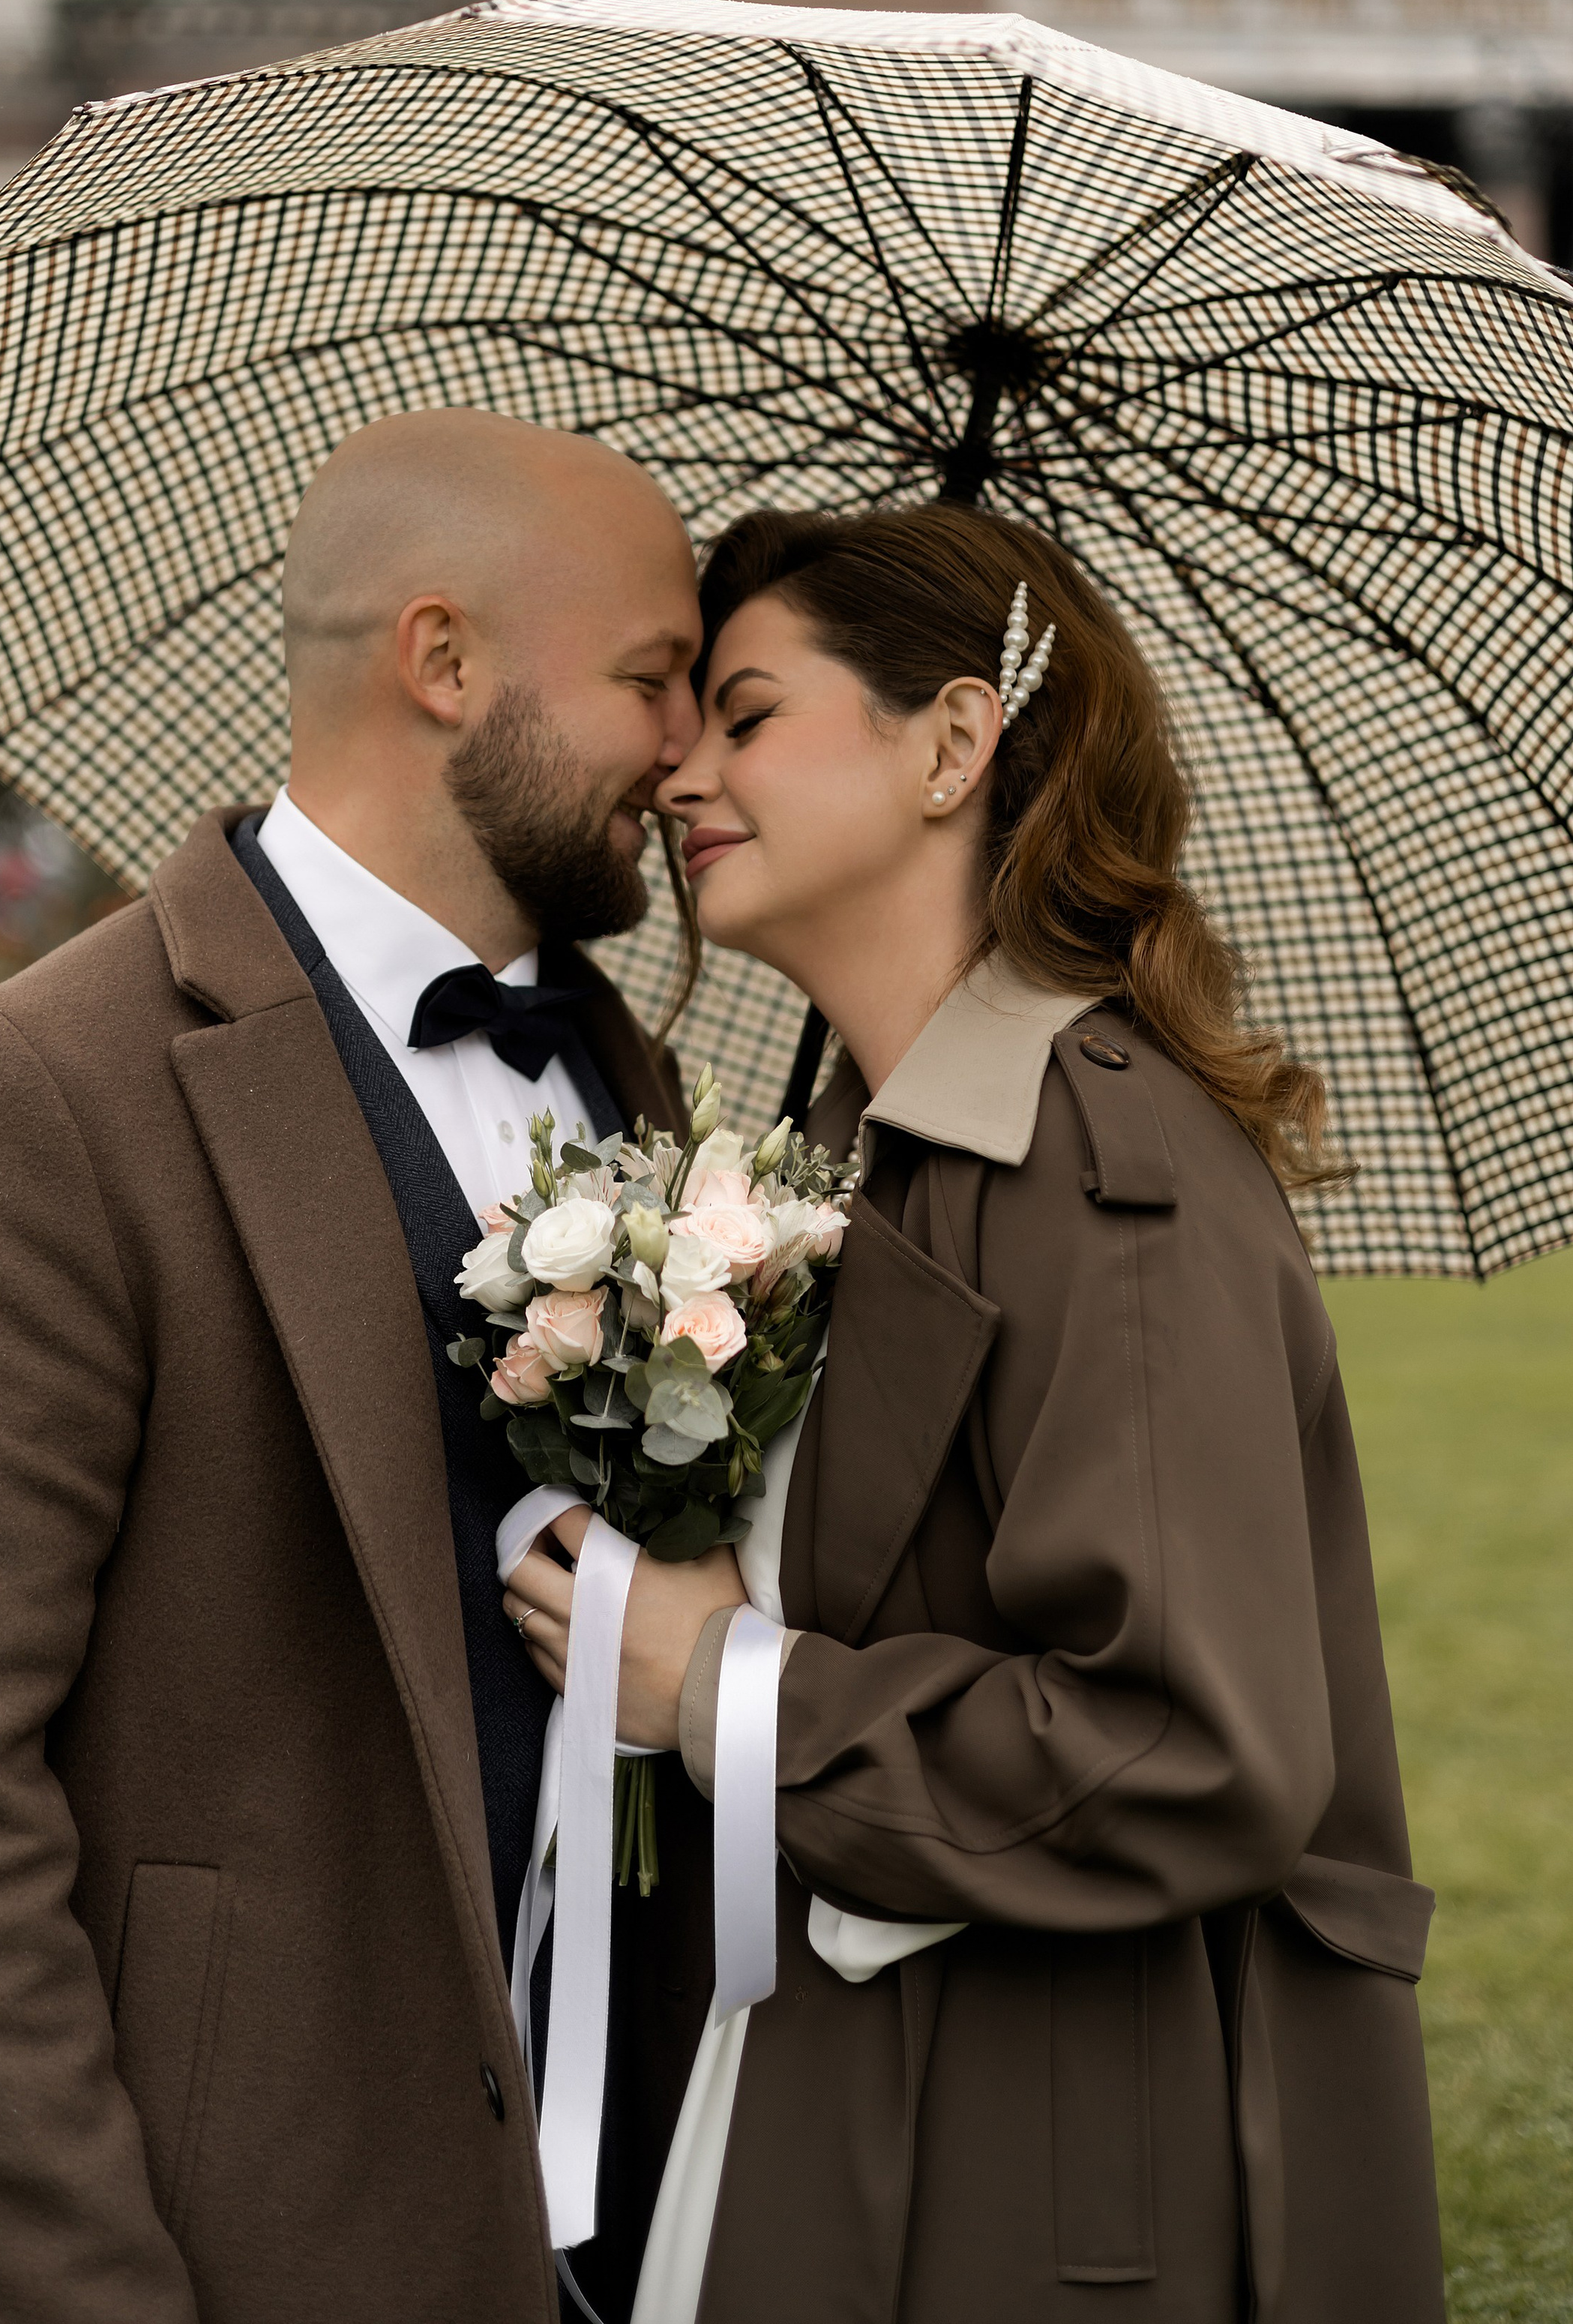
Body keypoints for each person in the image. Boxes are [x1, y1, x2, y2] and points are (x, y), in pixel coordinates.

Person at [0, 410, 718, 2324]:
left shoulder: (625, 1070)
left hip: (648, 2200)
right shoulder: (42, 1090)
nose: (686, 750)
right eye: (652, 678)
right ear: (444, 663)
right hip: (271, 2229)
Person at [503, 500, 1445, 2323]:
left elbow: (1188, 1743)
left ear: (951, 743)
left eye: (748, 713)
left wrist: (720, 1691)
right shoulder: (863, 1155)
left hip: (1062, 2177)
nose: (679, 765)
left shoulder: (1112, 1177)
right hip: (848, 2089)